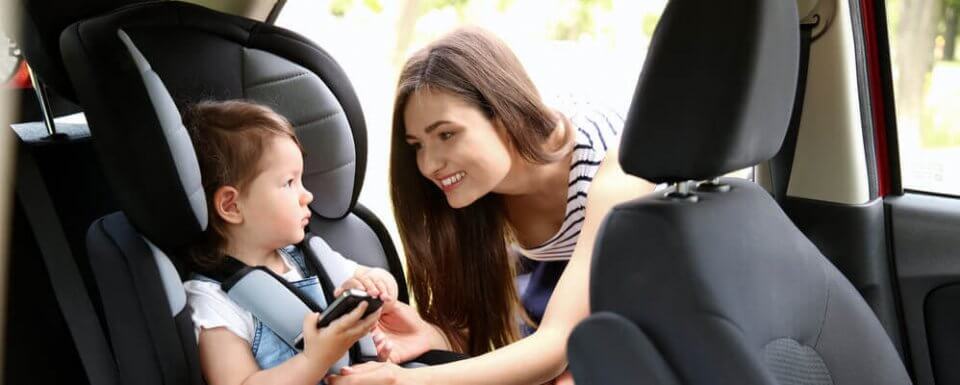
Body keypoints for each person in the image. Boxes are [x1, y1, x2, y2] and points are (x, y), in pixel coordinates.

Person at [329, 27, 655, 385]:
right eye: (418, 144)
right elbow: (502, 332)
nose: (429, 164)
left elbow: (555, 345)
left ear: (503, 110)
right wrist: (438, 337)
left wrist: (403, 381)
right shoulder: (478, 197)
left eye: (446, 134)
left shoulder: (612, 170)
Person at [180, 100, 399, 385]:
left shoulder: (308, 258)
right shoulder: (213, 300)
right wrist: (314, 360)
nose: (306, 195)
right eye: (289, 183)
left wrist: (376, 286)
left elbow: (374, 279)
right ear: (231, 206)